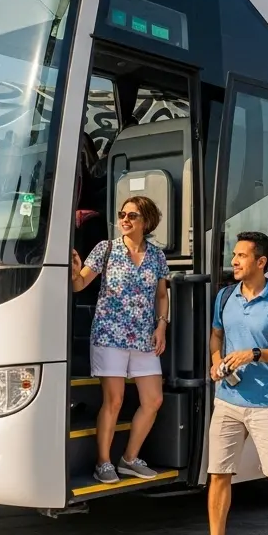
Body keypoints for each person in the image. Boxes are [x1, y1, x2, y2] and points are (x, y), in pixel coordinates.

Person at [186, 232, 268, 535]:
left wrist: (255, 354)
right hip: (228, 400)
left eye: (241, 256)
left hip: (267, 402)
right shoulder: (225, 297)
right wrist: (216, 359)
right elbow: (217, 334)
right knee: (218, 473)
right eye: (234, 255)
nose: (234, 261)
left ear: (261, 261)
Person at [72, 196, 169, 483]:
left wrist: (161, 326)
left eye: (132, 215)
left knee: (154, 400)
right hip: (109, 334)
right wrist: (75, 270)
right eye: (122, 214)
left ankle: (129, 458)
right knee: (113, 401)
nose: (124, 220)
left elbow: (162, 296)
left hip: (143, 336)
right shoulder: (106, 249)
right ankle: (103, 462)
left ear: (147, 222)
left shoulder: (157, 256)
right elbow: (80, 285)